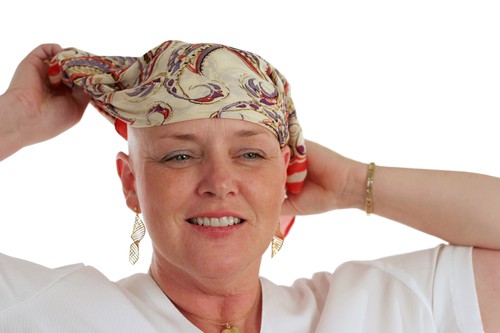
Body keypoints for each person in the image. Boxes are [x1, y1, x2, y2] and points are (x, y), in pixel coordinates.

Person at [1, 41, 499, 333]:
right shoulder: (47, 311)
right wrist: (13, 122)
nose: (220, 183)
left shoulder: (378, 309)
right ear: (131, 184)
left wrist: (352, 184)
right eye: (180, 155)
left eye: (250, 155)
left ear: (284, 174)